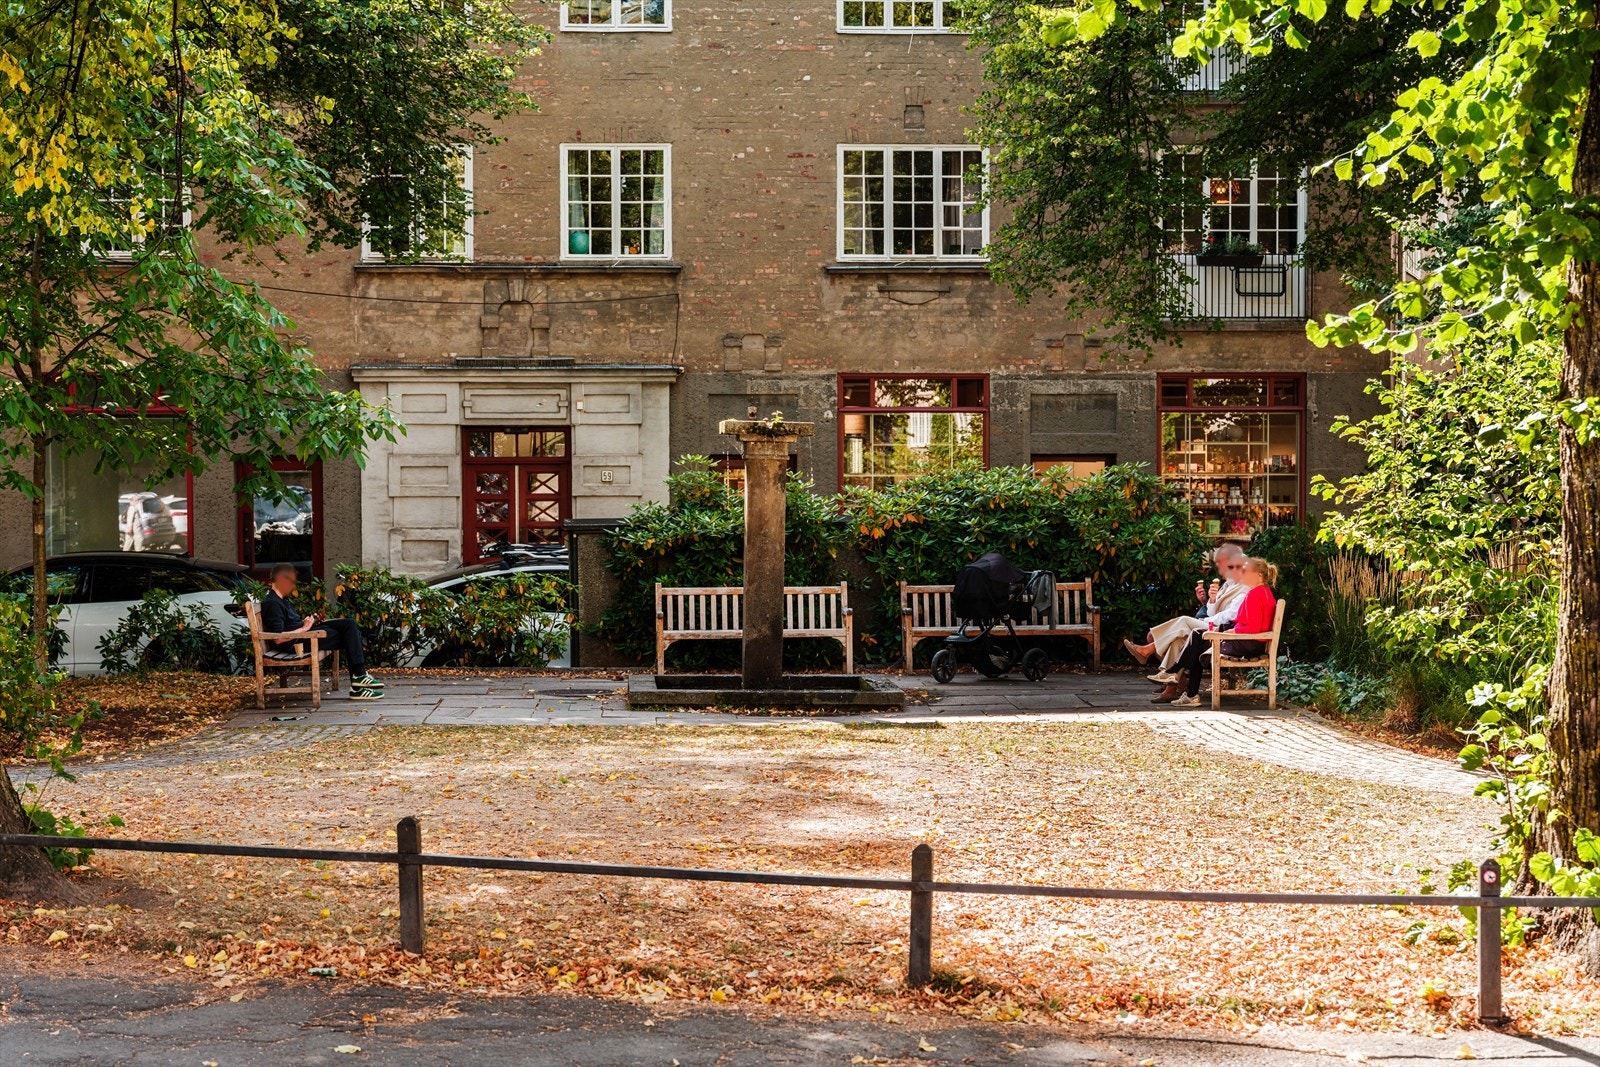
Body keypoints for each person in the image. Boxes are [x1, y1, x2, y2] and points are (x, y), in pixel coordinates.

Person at [1152, 556, 1279, 706]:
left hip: (1247, 643)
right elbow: (1246, 622)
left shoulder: (1254, 594)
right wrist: (1225, 628)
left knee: (1198, 638)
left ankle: (1180, 681)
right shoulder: (1264, 592)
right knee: (1198, 635)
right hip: (1249, 641)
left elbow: (1254, 628)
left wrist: (1232, 632)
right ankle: (1179, 680)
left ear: (1258, 575)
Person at [1122, 542, 1248, 683]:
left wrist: (1206, 621)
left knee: (1183, 621)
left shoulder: (1244, 589)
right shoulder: (1229, 585)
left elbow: (1231, 615)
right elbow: (1213, 611)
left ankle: (1148, 650)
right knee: (1178, 641)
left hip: (1223, 632)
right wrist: (1212, 600)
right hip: (1214, 626)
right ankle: (1169, 678)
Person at [259, 563, 384, 701]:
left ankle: (359, 681)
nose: (294, 586)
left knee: (349, 624)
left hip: (305, 633)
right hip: (296, 643)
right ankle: (358, 684)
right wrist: (304, 628)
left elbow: (290, 624)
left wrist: (308, 622)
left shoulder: (282, 600)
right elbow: (278, 639)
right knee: (350, 635)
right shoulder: (273, 604)